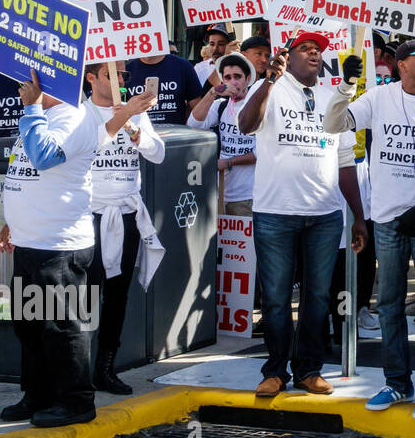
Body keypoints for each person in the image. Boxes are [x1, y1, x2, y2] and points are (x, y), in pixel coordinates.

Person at [325, 38, 415, 420]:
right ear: (401, 65)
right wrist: (344, 87)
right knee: (388, 305)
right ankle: (397, 382)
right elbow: (332, 123)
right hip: (387, 220)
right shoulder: (378, 98)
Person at [0, 71, 150, 427]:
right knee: (30, 325)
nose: (23, 85)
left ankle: (76, 400)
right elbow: (26, 172)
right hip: (31, 241)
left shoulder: (69, 115)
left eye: (31, 81)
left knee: (61, 326)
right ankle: (38, 394)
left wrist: (32, 110)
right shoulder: (50, 115)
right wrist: (13, 221)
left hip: (59, 245)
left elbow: (44, 157)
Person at [237, 32, 366, 397]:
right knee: (276, 298)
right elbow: (246, 125)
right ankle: (274, 371)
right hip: (275, 212)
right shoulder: (269, 89)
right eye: (305, 49)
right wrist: (268, 81)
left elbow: (344, 160)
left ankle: (308, 370)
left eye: (318, 51)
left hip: (324, 215)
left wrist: (358, 215)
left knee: (318, 297)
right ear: (288, 57)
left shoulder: (331, 98)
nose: (313, 54)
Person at [84, 61, 166, 396]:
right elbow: (87, 148)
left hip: (127, 214)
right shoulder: (80, 113)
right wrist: (122, 118)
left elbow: (158, 153)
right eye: (111, 75)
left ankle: (105, 368)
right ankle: (77, 370)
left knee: (117, 295)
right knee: (84, 296)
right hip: (89, 216)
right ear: (91, 78)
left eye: (122, 75)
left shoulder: (135, 112)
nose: (119, 80)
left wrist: (133, 126)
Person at [187, 53, 258, 216]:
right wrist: (212, 93)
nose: (233, 82)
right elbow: (193, 124)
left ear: (247, 79)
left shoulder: (256, 108)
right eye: (227, 77)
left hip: (248, 196)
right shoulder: (220, 105)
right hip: (220, 193)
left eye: (237, 77)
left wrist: (228, 162)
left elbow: (260, 152)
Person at [124, 49, 204, 126]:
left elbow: (197, 107)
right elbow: (119, 110)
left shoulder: (183, 66)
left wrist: (187, 128)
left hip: (175, 135)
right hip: (140, 137)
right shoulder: (127, 70)